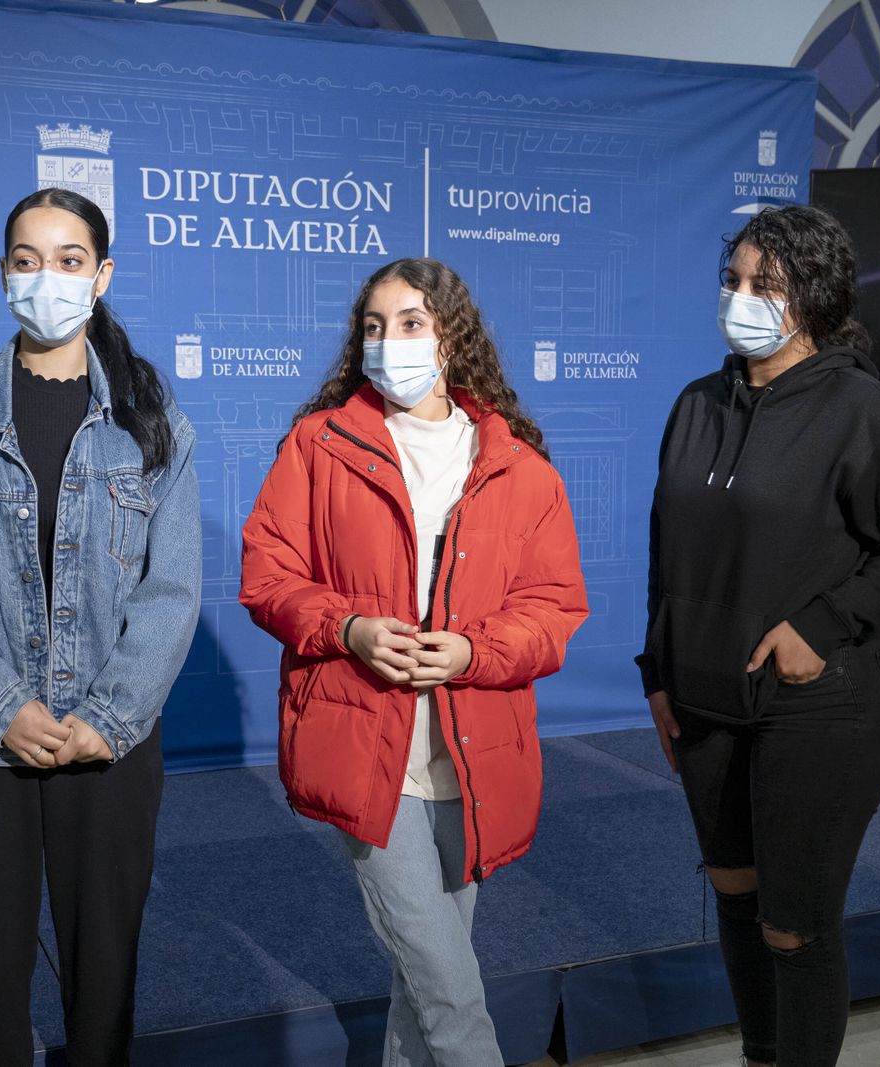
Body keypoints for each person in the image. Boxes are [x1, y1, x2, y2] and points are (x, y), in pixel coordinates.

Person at [0, 187, 200, 1066]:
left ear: (101, 275)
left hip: (109, 744)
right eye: (25, 259)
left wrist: (109, 717)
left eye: (67, 259)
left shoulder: (153, 422)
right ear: (3, 272)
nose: (44, 278)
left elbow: (171, 593)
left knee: (104, 989)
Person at [240, 258, 587, 1066]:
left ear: (451, 337)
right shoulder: (317, 445)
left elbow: (553, 610)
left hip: (473, 759)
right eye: (373, 325)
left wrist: (474, 649)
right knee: (450, 989)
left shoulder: (520, 467)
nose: (388, 341)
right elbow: (268, 576)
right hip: (367, 750)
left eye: (410, 323)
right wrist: (350, 626)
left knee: (423, 980)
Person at [638, 203, 880, 1067]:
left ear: (819, 294)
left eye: (767, 283)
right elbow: (667, 550)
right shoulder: (697, 403)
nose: (742, 297)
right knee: (735, 896)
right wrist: (659, 671)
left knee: (793, 927)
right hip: (702, 701)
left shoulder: (861, 410)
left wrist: (823, 624)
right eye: (734, 280)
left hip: (820, 705)